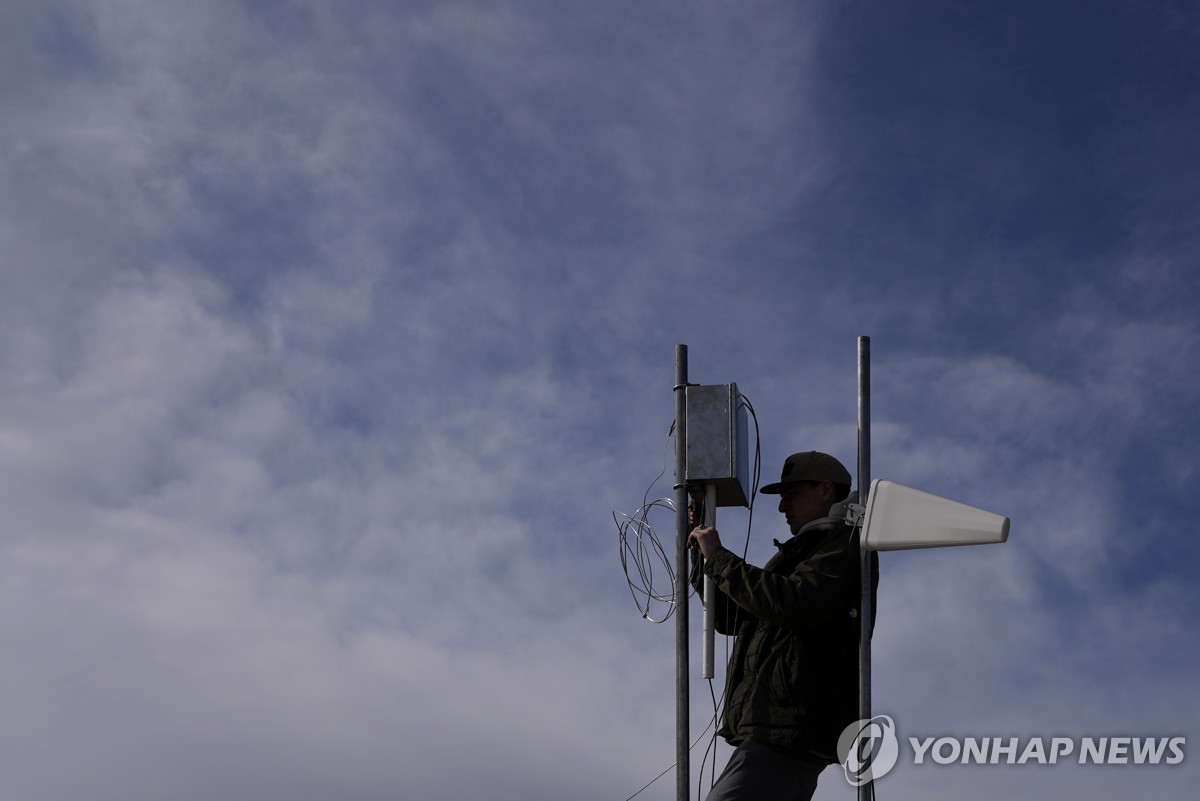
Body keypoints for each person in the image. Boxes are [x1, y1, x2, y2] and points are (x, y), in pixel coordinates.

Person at [688, 451, 877, 801]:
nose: (782, 507)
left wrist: (719, 558)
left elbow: (795, 603)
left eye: (791, 494)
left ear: (824, 490)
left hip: (795, 724)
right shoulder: (804, 550)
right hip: (778, 726)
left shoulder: (846, 543)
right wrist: (703, 559)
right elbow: (734, 618)